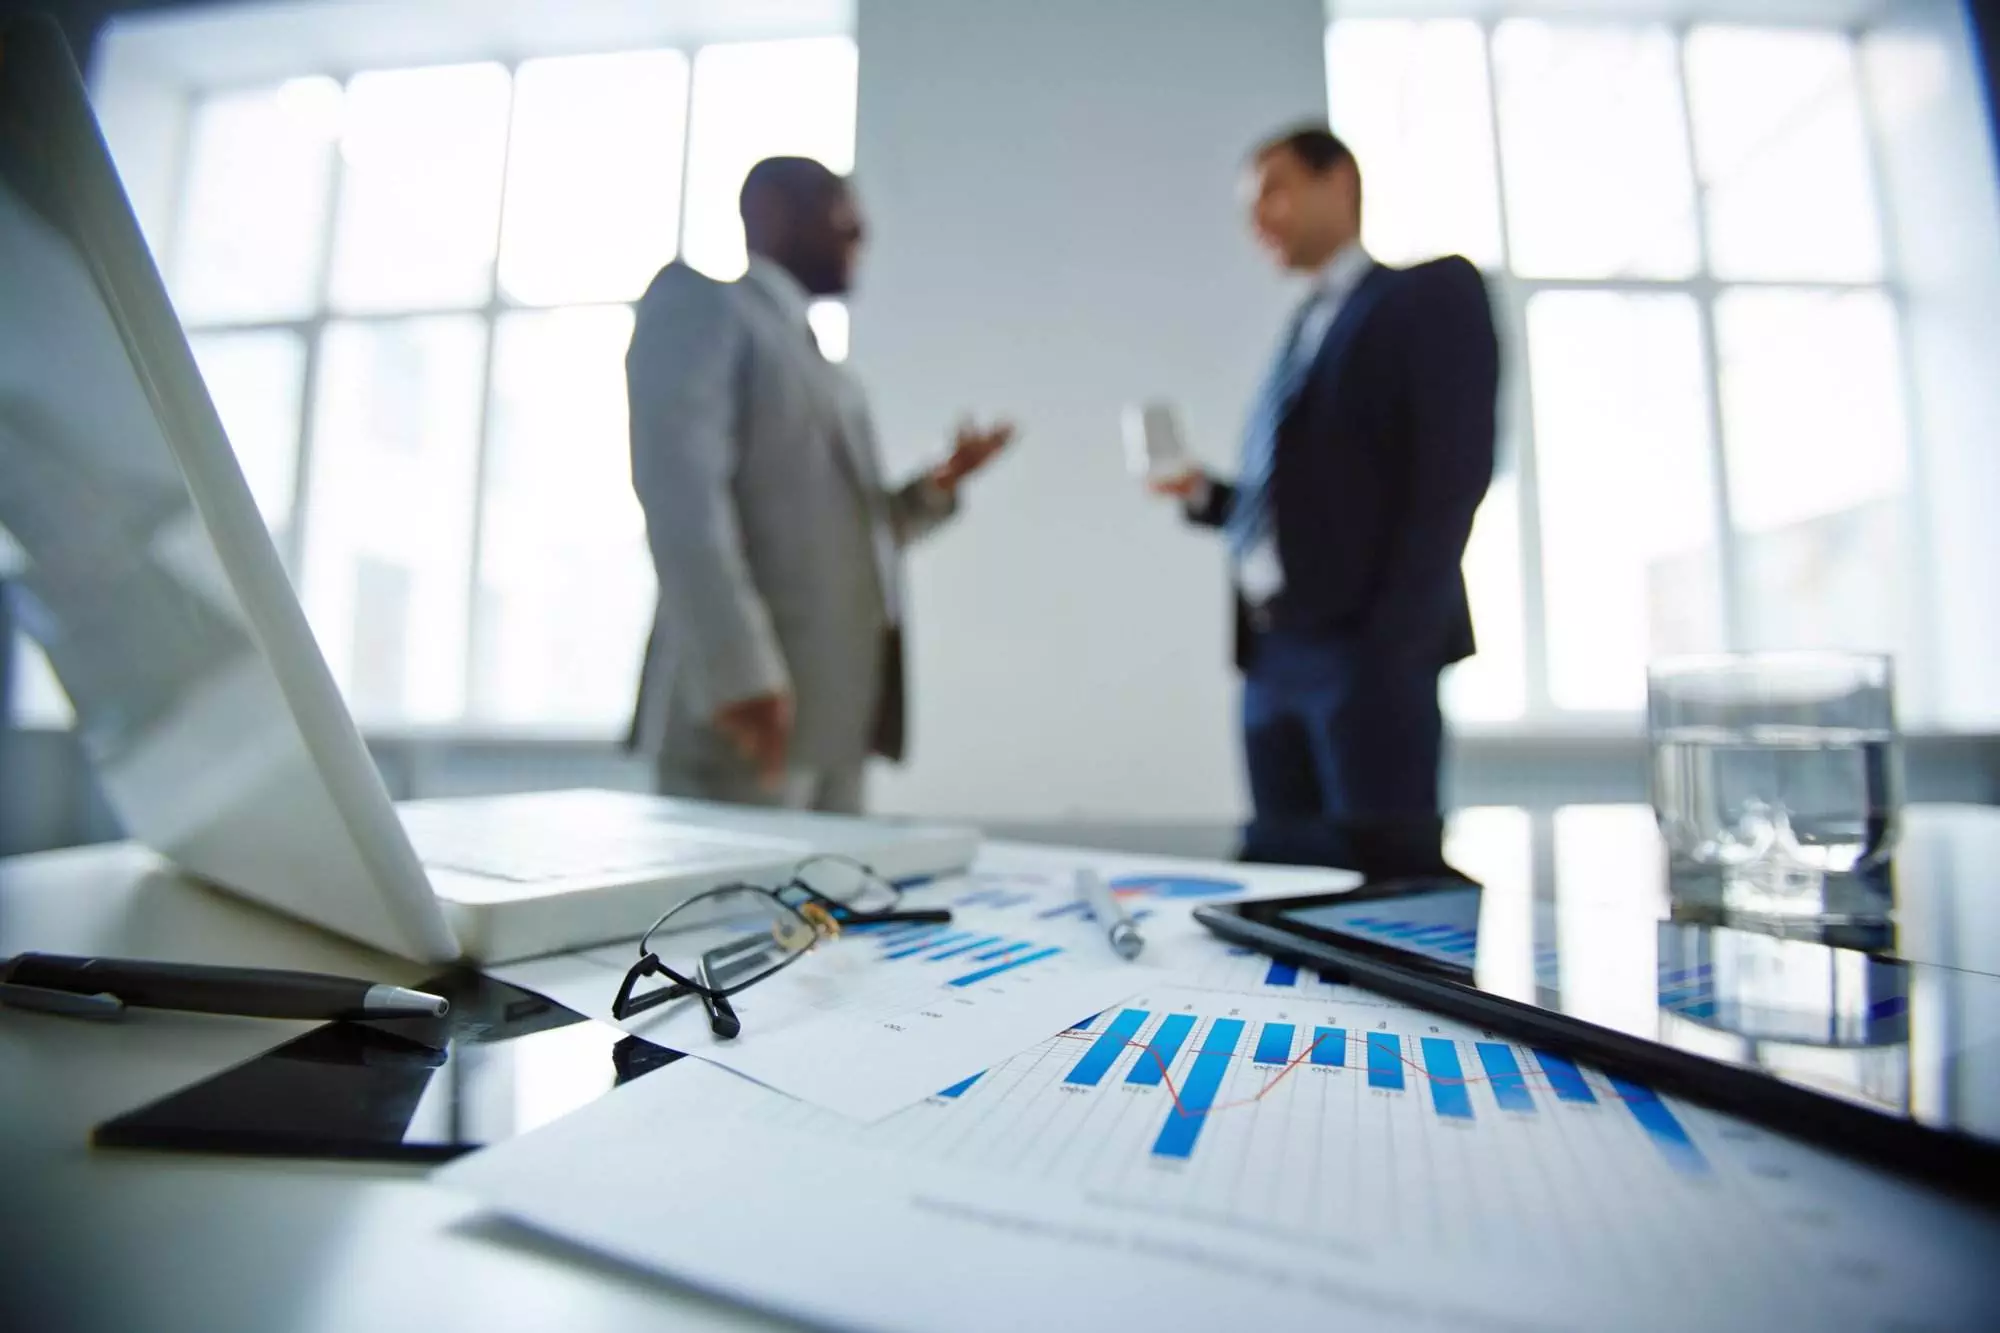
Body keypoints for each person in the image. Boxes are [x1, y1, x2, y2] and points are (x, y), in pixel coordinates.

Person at [1152, 126, 1498, 874]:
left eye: (1272, 189)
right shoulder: (1301, 326)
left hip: (1363, 651)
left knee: (1385, 890)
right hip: (1270, 658)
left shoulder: (1424, 296)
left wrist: (1389, 649)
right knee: (1281, 877)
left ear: (1339, 180)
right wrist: (1207, 493)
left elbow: (1451, 477)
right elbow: (1309, 502)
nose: (1257, 220)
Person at [627, 156, 1014, 813]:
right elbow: (681, 502)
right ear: (773, 211)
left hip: (836, 716)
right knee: (726, 912)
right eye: (844, 217)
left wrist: (942, 483)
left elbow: (862, 534)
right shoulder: (702, 308)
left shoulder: (831, 374)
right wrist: (737, 676)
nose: (860, 237)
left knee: (827, 916)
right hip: (748, 712)